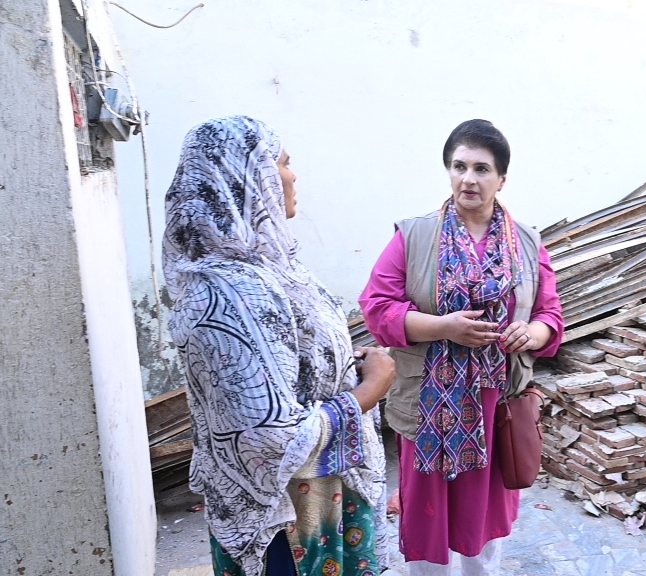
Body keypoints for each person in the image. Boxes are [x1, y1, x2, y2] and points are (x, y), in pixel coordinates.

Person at [163, 116, 395, 576]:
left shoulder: (266, 270)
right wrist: (371, 389)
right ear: (248, 178)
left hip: (319, 499)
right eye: (283, 163)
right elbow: (270, 439)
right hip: (288, 522)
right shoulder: (230, 296)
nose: (292, 175)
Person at [359, 119, 564, 576]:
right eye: (459, 166)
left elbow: (550, 315)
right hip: (429, 404)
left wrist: (531, 334)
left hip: (495, 406)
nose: (468, 178)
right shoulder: (414, 237)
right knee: (427, 514)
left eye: (481, 169)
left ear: (501, 179)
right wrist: (443, 328)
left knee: (483, 516)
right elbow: (377, 307)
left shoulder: (527, 243)